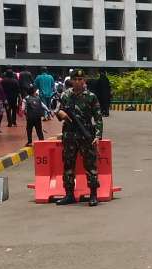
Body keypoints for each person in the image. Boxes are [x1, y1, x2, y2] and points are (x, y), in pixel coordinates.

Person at [55, 69, 103, 207]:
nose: (77, 82)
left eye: (80, 79)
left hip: (86, 134)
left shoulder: (91, 97)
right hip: (69, 135)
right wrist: (61, 114)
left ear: (84, 80)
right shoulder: (65, 95)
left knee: (90, 166)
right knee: (68, 165)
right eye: (75, 79)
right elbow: (57, 111)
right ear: (71, 80)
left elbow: (98, 118)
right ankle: (69, 194)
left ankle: (93, 195)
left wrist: (98, 136)